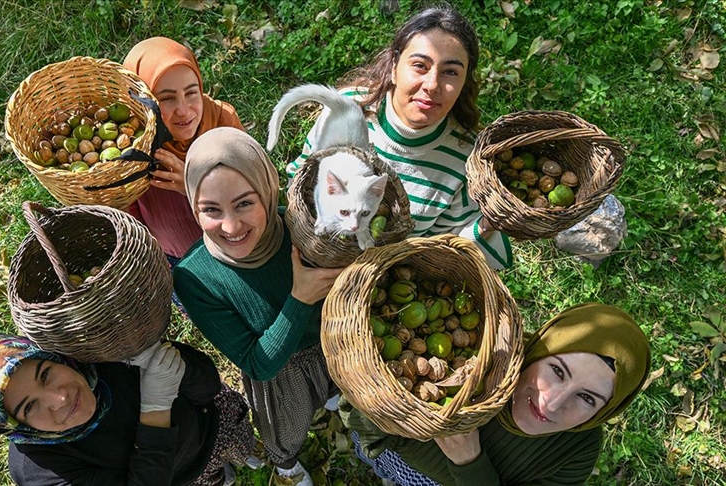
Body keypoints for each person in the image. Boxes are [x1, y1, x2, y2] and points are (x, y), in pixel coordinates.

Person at [172, 127, 344, 486]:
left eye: (245, 203)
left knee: (335, 391)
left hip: (333, 347)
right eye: (211, 210)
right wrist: (300, 298)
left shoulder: (301, 228)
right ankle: (287, 468)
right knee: (287, 430)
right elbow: (257, 363)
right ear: (192, 206)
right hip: (283, 377)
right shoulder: (195, 277)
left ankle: (331, 400)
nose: (231, 226)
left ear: (267, 191)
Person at [285, 4, 512, 270]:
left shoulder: (464, 158)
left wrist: (489, 223)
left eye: (450, 72)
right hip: (316, 256)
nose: (431, 85)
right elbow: (302, 177)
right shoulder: (349, 109)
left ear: (464, 83)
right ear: (394, 66)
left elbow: (446, 245)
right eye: (419, 65)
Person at [342, 302, 652, 485]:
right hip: (390, 451)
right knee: (382, 467)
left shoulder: (576, 453)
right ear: (538, 351)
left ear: (605, 411)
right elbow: (362, 419)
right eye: (557, 371)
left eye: (587, 398)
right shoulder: (484, 357)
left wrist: (469, 461)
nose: (552, 403)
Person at [0, 334, 256, 486]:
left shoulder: (102, 355)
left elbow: (207, 386)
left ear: (56, 358)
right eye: (30, 406)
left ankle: (245, 456)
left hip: (212, 426)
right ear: (15, 425)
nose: (60, 399)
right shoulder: (40, 471)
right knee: (211, 479)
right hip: (178, 479)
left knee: (244, 447)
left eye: (46, 374)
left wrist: (165, 360)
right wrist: (156, 410)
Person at [123, 37, 245, 264]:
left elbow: (254, 188)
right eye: (167, 98)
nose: (183, 110)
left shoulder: (222, 123)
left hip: (237, 244)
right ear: (142, 101)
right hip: (178, 256)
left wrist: (191, 187)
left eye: (191, 92)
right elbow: (130, 206)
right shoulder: (137, 143)